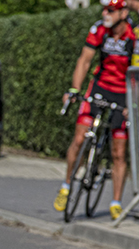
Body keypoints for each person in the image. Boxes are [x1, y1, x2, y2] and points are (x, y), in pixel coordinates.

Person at [54, 0, 134, 221]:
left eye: (111, 10)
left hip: (123, 93)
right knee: (80, 137)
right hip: (99, 88)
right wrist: (74, 89)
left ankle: (116, 202)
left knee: (118, 152)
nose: (105, 13)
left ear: (123, 13)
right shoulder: (99, 29)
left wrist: (133, 103)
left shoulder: (133, 35)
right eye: (104, 8)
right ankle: (66, 185)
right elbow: (84, 61)